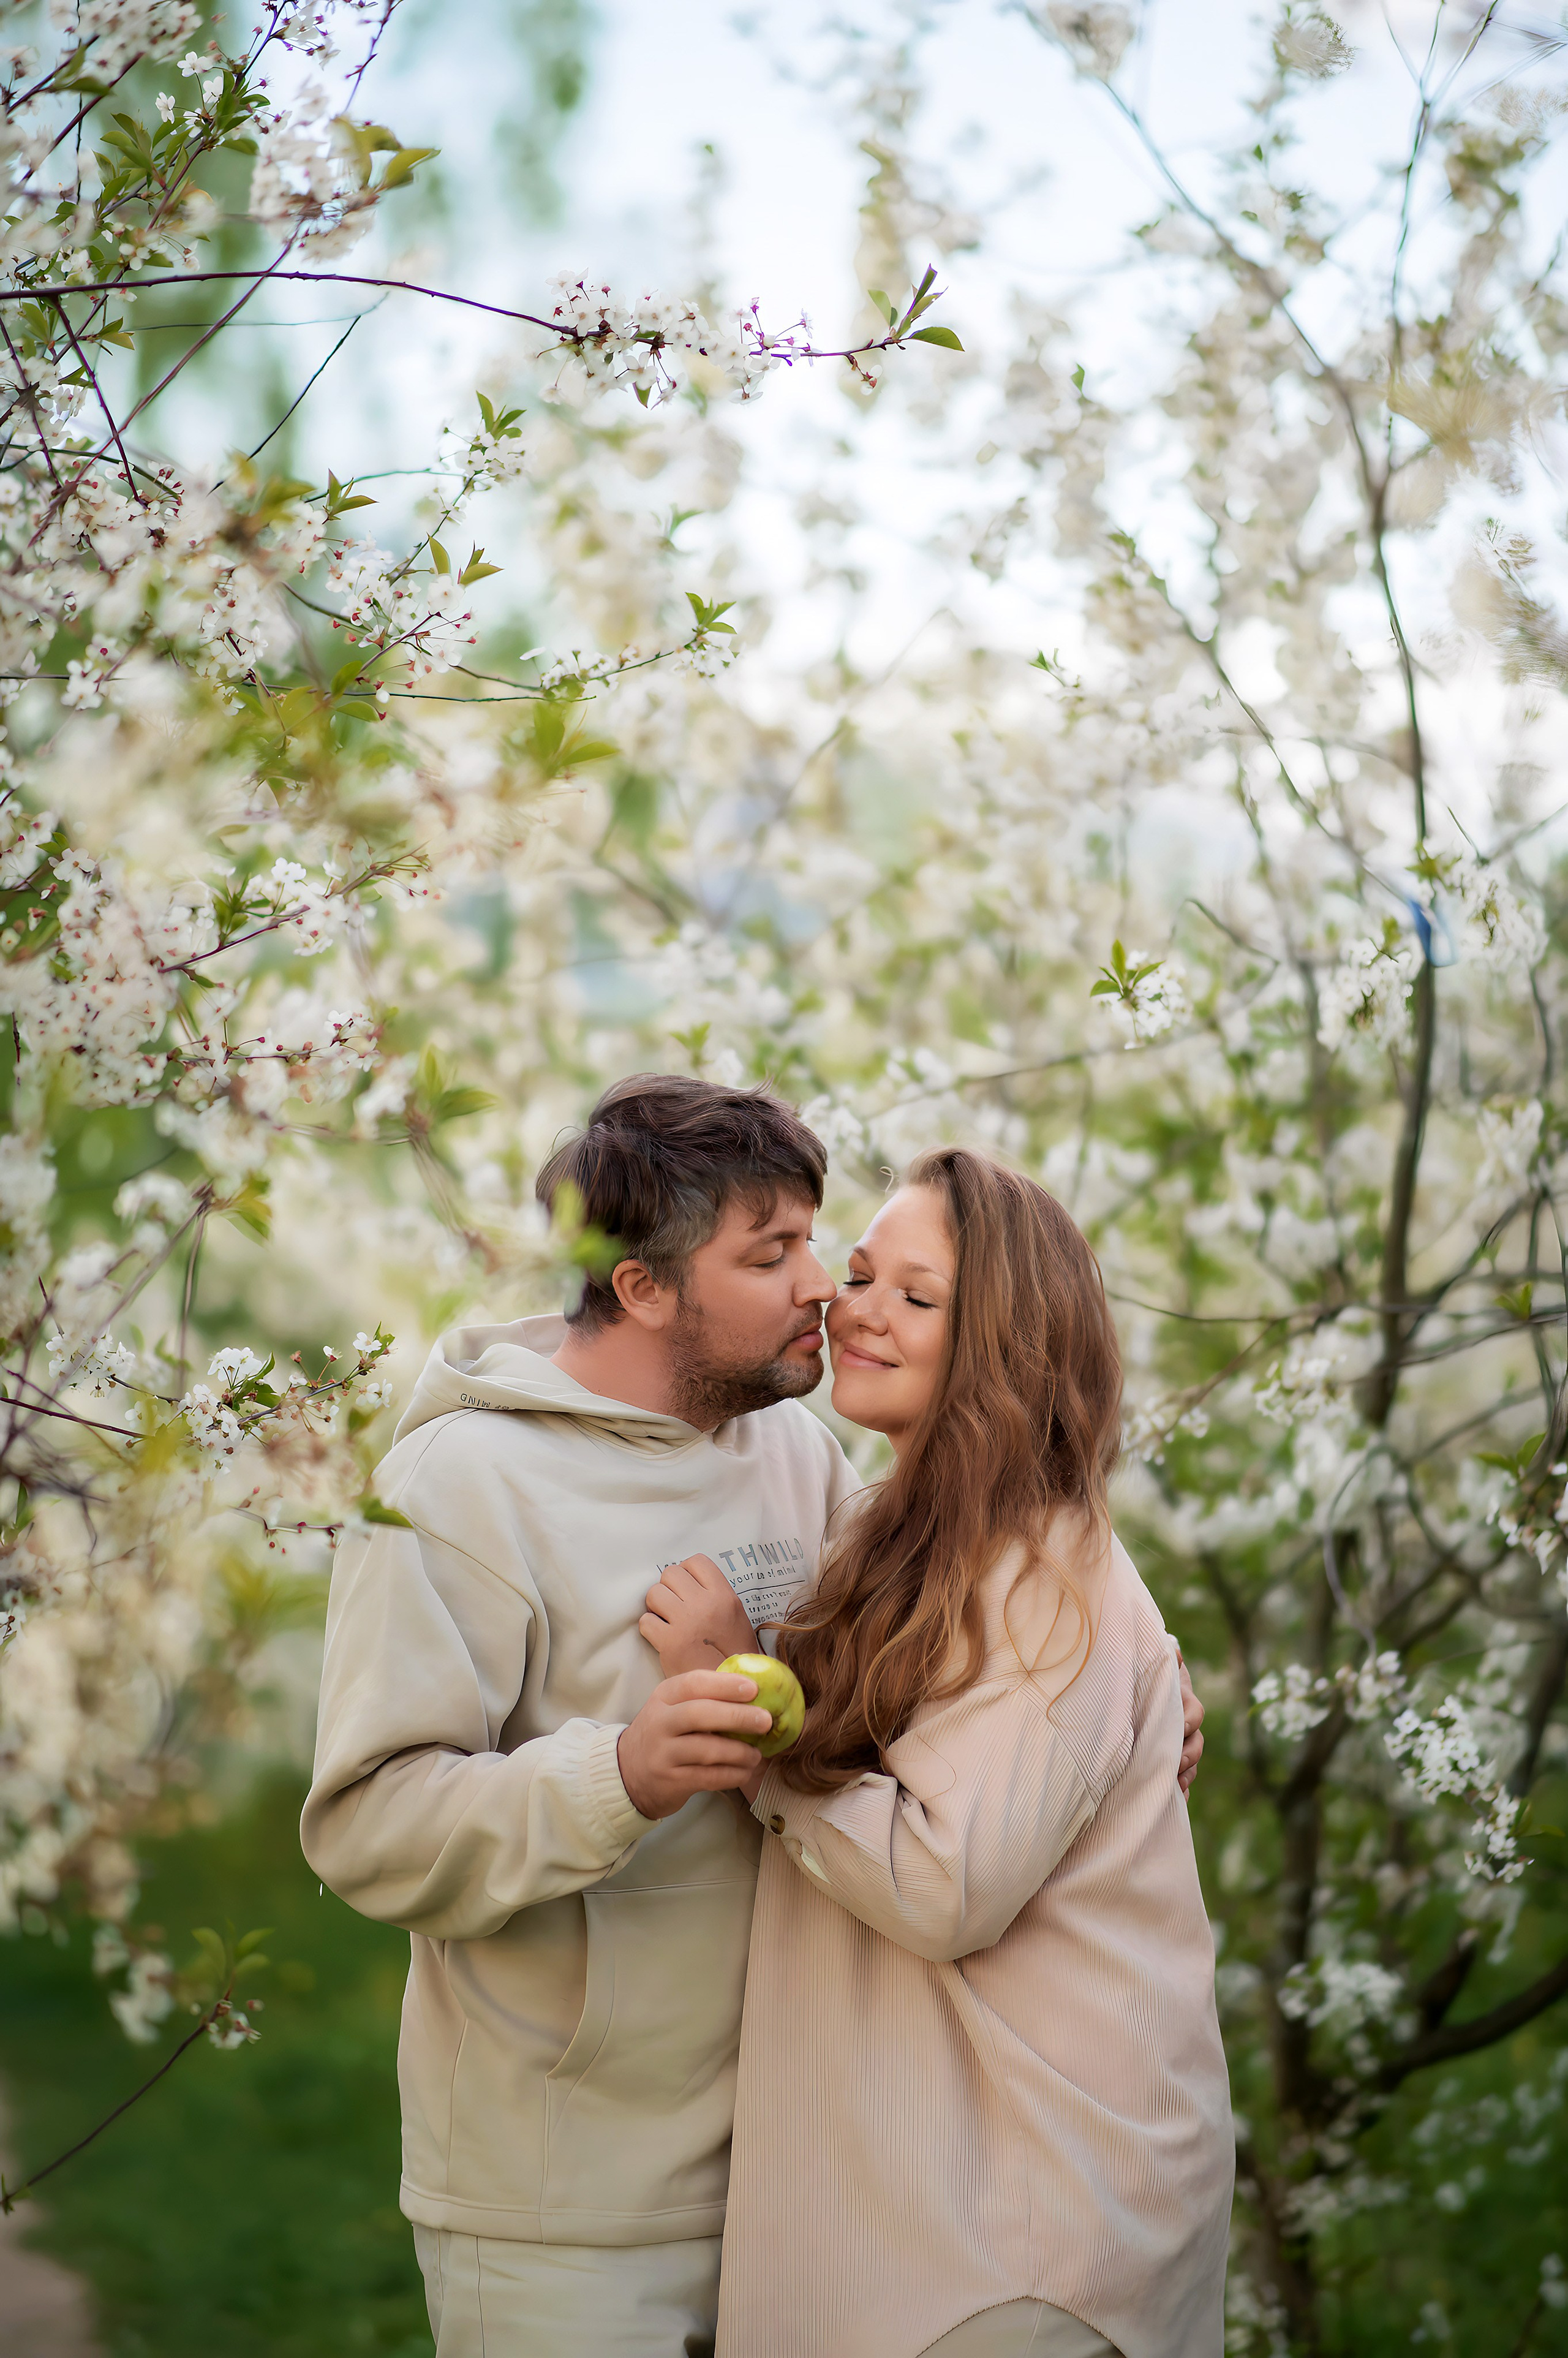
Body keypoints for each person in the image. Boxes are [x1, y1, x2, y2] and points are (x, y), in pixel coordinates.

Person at [303, 1079, 1206, 2358]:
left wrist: (1138, 1666)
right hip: (573, 2207)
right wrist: (616, 1771)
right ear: (645, 1289)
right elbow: (365, 1825)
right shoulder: (460, 1489)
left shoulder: (795, 1458)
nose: (822, 1294)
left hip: (815, 2175)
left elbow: (950, 1595)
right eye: (771, 1254)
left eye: (812, 1245)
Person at [643, 1147, 1233, 2358]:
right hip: (938, 2215)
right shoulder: (891, 1524)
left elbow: (939, 1880)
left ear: (1006, 1346)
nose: (854, 1307)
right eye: (858, 1273)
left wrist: (736, 1717)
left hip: (1024, 2240)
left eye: (917, 1297)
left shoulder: (1039, 1572)